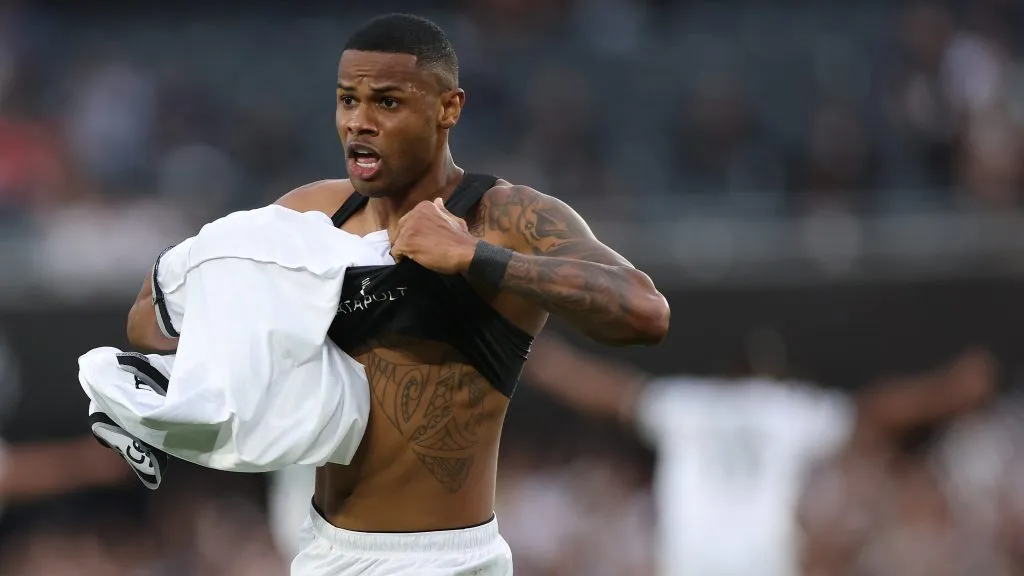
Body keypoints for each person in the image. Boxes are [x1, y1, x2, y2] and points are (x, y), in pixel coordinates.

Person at [125, 13, 670, 576]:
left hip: (446, 561)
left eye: (386, 102)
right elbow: (149, 318)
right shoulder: (312, 215)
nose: (358, 122)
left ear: (448, 108)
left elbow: (644, 312)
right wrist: (245, 327)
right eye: (347, 100)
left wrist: (473, 256)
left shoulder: (501, 216)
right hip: (325, 555)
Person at [522, 332, 996, 576]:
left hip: (690, 565)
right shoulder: (783, 408)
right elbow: (874, 411)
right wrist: (946, 390)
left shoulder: (691, 404)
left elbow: (609, 392)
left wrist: (536, 353)